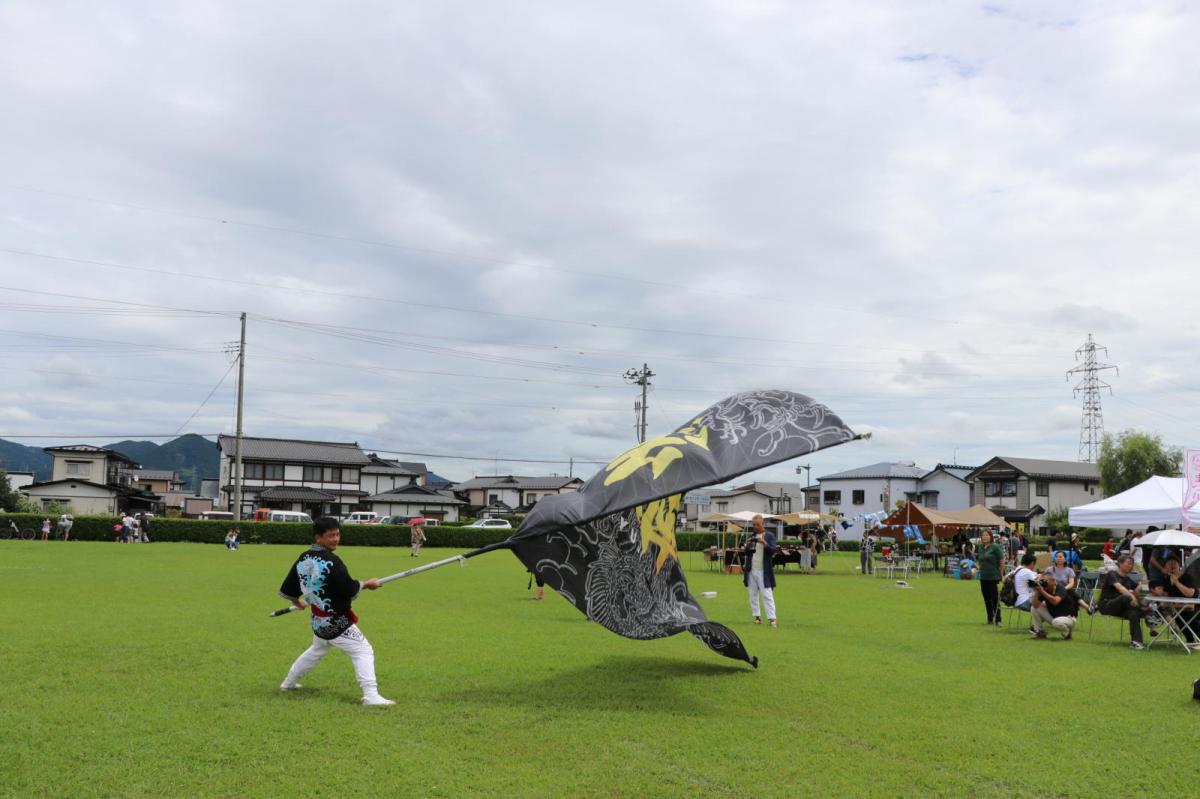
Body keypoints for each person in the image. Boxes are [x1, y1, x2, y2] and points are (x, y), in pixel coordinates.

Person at [278, 517, 394, 706]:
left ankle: (288, 683)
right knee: (363, 650)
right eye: (331, 536)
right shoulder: (332, 561)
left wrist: (296, 601)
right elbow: (348, 588)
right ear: (318, 537)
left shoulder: (304, 557)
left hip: (318, 619)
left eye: (338, 534)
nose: (335, 539)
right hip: (335, 621)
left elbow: (289, 587)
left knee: (317, 649)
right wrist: (368, 584)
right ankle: (371, 695)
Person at [1099, 554, 1148, 650]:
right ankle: (1147, 614)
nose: (1130, 566)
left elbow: (1137, 590)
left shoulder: (1128, 579)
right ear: (1120, 564)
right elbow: (1120, 588)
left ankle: (1136, 642)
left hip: (1121, 608)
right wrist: (1132, 596)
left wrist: (1142, 584)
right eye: (1128, 563)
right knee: (1125, 597)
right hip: (1107, 605)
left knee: (1133, 614)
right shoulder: (1111, 574)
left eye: (1132, 564)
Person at [742, 514, 778, 627]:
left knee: (767, 594)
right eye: (754, 525)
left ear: (763, 524)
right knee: (752, 595)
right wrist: (747, 547)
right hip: (751, 569)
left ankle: (772, 619)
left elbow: (773, 550)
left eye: (757, 524)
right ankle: (757, 617)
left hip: (764, 571)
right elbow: (747, 553)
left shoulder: (769, 536)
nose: (755, 527)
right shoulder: (751, 536)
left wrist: (764, 543)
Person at [1031, 569, 1076, 640]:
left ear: (1053, 581)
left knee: (1056, 622)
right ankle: (1040, 633)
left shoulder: (1061, 588)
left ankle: (1067, 633)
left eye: (1045, 581)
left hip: (1068, 618)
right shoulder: (1044, 589)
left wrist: (1042, 591)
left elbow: (1055, 601)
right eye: (1042, 581)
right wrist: (1037, 591)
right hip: (1054, 617)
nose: (1043, 583)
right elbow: (1035, 605)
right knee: (1034, 609)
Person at [977, 529, 1005, 626]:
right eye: (983, 535)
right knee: (986, 598)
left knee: (995, 598)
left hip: (993, 576)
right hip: (983, 576)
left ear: (991, 537)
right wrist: (977, 568)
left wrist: (1001, 574)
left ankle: (998, 619)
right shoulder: (980, 548)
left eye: (987, 535)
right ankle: (989, 619)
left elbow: (1001, 561)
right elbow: (980, 561)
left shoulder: (995, 547)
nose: (984, 537)